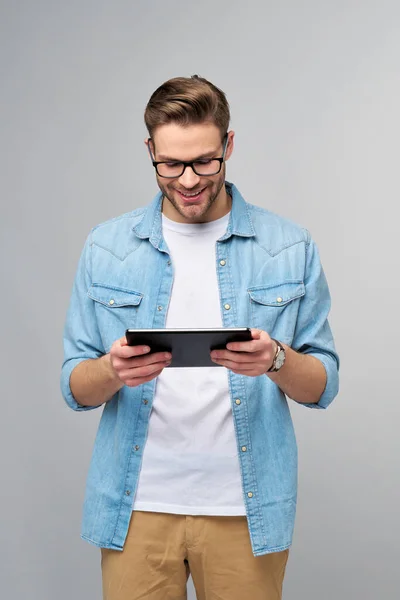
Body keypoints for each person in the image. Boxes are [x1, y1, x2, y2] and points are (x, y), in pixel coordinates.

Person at [61, 75, 339, 600]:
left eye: (205, 161)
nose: (188, 180)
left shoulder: (288, 245)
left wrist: (276, 359)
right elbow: (74, 387)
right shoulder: (106, 247)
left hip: (246, 511)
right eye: (170, 164)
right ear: (150, 151)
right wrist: (112, 370)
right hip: (136, 508)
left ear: (229, 145)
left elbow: (323, 385)